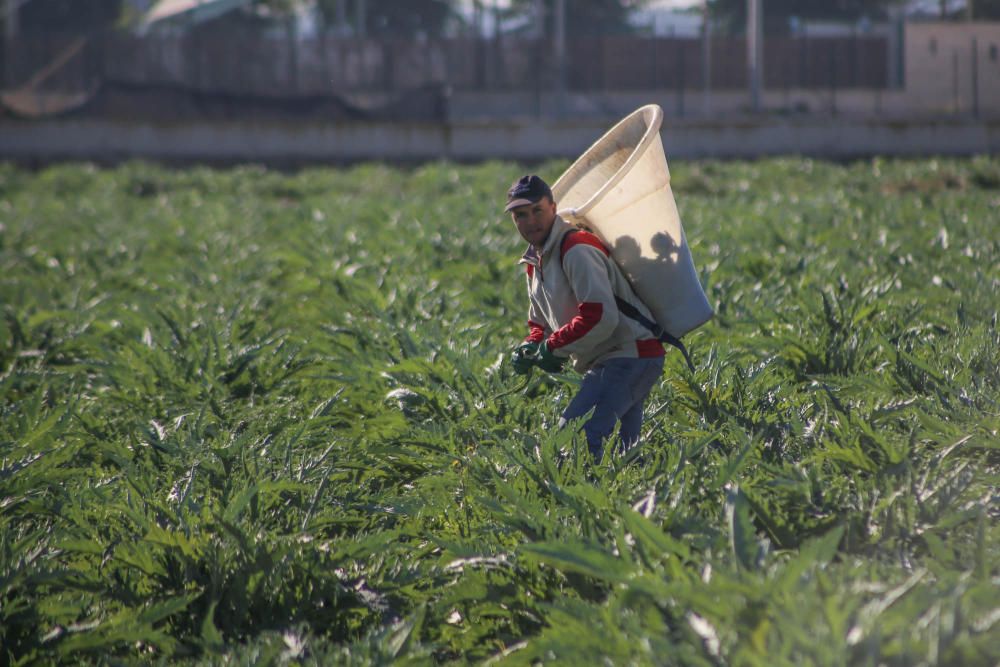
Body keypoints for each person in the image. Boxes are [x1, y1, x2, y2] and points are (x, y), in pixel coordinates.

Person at [506, 174, 666, 462]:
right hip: (617, 358)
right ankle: (639, 503)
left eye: (537, 211)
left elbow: (599, 316)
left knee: (576, 439)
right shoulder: (535, 262)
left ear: (554, 208)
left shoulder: (576, 248)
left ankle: (587, 504)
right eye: (521, 215)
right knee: (625, 456)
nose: (530, 221)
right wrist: (531, 346)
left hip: (629, 355)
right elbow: (539, 323)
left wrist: (553, 348)